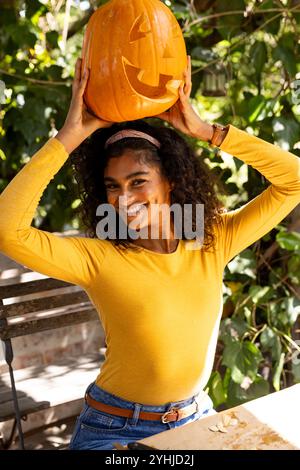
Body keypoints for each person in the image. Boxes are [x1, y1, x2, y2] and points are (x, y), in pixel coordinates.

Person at [0, 56, 299, 451]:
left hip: (195, 418)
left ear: (171, 180)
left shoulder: (211, 241)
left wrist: (208, 131)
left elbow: (293, 181)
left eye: (138, 181)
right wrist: (69, 136)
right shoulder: (101, 259)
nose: (124, 199)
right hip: (115, 430)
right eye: (113, 187)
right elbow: (8, 231)